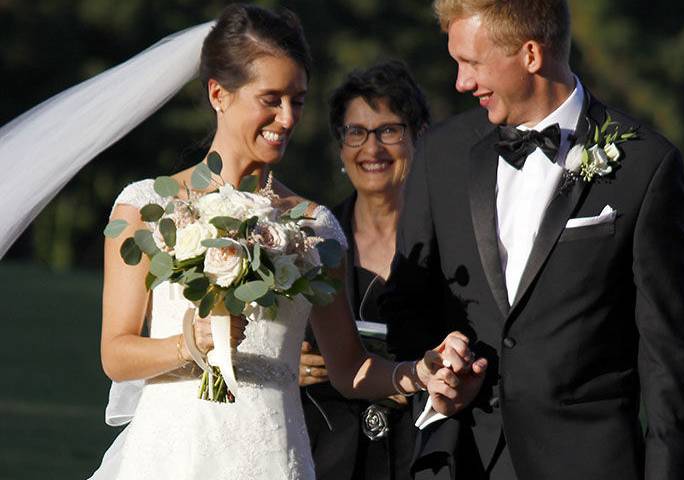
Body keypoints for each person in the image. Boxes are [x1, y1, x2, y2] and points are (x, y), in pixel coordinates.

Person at [87, 4, 476, 480]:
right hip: (172, 457)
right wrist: (193, 342)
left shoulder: (315, 226)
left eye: (298, 99)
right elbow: (117, 356)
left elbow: (349, 368)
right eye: (271, 99)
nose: (288, 118)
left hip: (273, 455)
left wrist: (416, 372)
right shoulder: (147, 208)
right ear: (219, 94)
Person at [381, 1, 684, 479]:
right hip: (463, 459)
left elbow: (668, 361)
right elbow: (406, 307)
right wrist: (438, 366)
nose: (461, 83)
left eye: (471, 62)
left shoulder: (645, 167)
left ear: (530, 54)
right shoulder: (439, 154)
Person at [299, 60, 431, 480]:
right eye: (356, 132)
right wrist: (287, 365)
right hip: (326, 453)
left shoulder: (454, 244)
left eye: (389, 131)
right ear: (341, 147)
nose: (371, 150)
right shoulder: (308, 244)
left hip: (423, 456)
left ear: (419, 138)